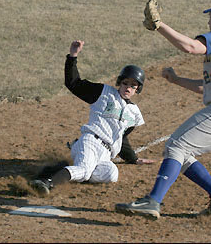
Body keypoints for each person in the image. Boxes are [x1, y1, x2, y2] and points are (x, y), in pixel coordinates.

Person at [115, 0, 211, 219]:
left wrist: (159, 25)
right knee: (182, 151)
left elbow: (190, 46)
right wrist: (177, 80)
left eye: (210, 17)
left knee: (176, 146)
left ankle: (153, 201)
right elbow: (206, 87)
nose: (208, 22)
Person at [30, 40, 154, 197]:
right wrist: (72, 56)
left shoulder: (134, 113)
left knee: (111, 174)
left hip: (105, 154)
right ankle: (46, 182)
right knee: (84, 171)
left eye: (133, 85)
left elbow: (122, 140)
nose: (128, 87)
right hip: (90, 143)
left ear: (138, 89)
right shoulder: (103, 92)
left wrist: (134, 159)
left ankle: (60, 169)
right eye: (125, 83)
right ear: (119, 82)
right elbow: (73, 83)